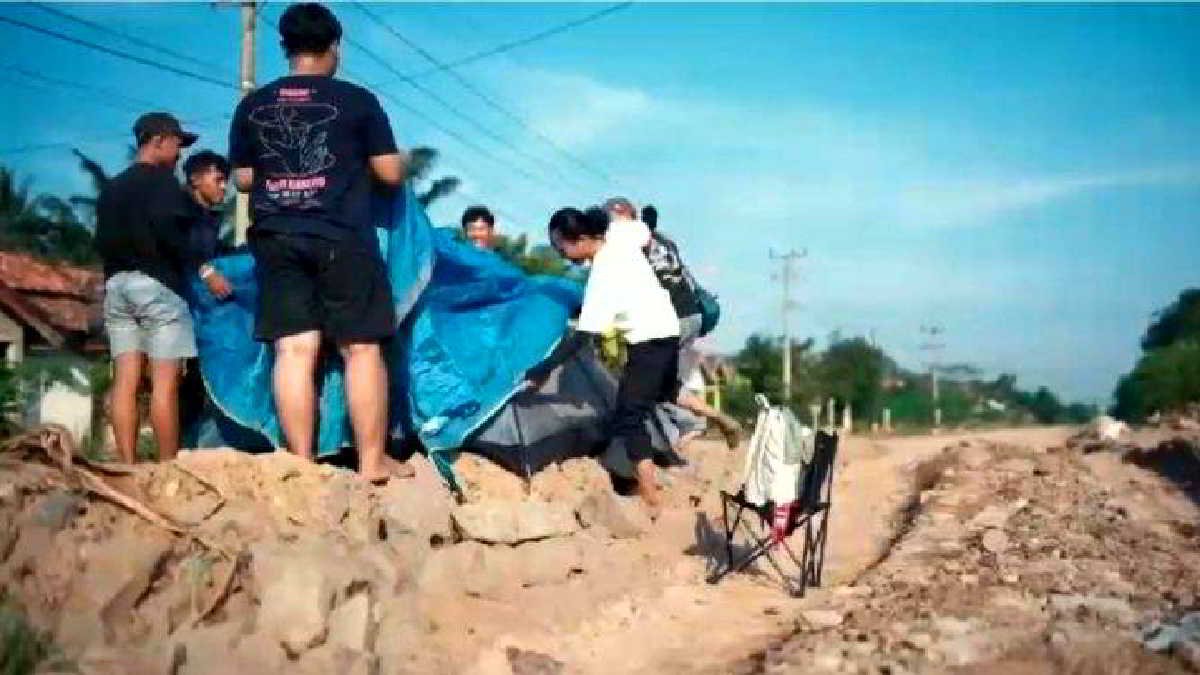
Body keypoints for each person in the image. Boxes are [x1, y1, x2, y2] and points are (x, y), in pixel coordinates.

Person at [228, 2, 407, 483]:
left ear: (285, 48)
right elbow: (389, 172)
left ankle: (301, 464)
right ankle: (371, 463)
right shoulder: (357, 100)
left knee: (294, 350)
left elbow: (244, 179)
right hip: (341, 235)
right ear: (334, 47)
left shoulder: (254, 104)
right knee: (362, 348)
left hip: (277, 235)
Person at [543, 207, 680, 511]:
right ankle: (715, 423)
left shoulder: (602, 276)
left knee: (629, 417)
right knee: (664, 393)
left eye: (561, 247)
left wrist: (542, 369)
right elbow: (644, 230)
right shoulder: (619, 234)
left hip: (648, 339)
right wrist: (647, 218)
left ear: (577, 239)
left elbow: (582, 337)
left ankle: (650, 493)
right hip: (669, 329)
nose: (563, 255)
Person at [95, 112, 198, 464]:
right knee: (164, 384)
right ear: (159, 140)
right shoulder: (163, 183)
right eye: (177, 144)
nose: (180, 154)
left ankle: (127, 463)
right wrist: (198, 266)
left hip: (116, 285)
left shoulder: (112, 187)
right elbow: (173, 234)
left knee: (125, 379)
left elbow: (101, 240)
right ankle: (168, 467)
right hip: (157, 286)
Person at [624, 201, 743, 449]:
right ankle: (714, 419)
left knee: (641, 382)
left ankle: (682, 428)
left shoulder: (631, 247)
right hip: (690, 315)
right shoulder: (664, 242)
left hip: (670, 320)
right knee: (664, 385)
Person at [181, 150, 234, 300]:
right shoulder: (179, 213)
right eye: (218, 180)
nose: (224, 187)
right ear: (195, 179)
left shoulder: (211, 219)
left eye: (225, 181)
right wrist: (206, 271)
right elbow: (180, 247)